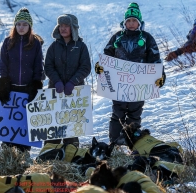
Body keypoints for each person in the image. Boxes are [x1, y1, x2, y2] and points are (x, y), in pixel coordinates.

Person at [95, 2, 166, 143]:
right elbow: (107, 56)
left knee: (135, 114)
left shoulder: (146, 38)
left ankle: (132, 144)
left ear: (139, 22)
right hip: (118, 84)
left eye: (134, 20)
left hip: (139, 85)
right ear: (124, 23)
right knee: (117, 113)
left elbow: (155, 59)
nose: (132, 23)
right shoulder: (117, 38)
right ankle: (114, 144)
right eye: (129, 21)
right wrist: (100, 66)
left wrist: (160, 75)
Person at [0, 7, 43, 152]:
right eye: (18, 24)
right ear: (15, 26)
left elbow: (38, 64)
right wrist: (4, 83)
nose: (21, 27)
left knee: (24, 122)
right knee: (10, 121)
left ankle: (24, 152)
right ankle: (7, 152)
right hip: (11, 87)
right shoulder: (8, 42)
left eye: (24, 24)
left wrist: (36, 83)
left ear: (29, 26)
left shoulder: (35, 43)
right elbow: (3, 63)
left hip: (27, 87)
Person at [44, 14, 91, 147]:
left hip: (75, 94)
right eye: (61, 26)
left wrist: (73, 82)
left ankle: (71, 158)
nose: (63, 29)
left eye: (66, 26)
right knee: (53, 127)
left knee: (71, 129)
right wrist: (56, 81)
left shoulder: (81, 46)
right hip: (55, 93)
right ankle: (50, 155)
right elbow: (48, 66)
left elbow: (86, 67)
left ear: (73, 28)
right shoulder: (53, 47)